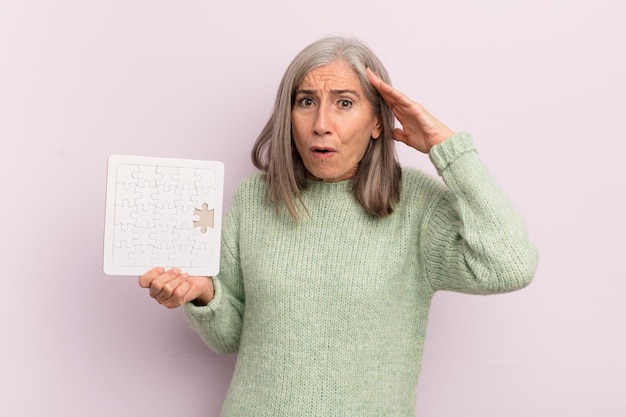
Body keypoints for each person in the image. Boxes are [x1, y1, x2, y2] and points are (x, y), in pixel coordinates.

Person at [139, 36, 538, 416]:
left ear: (378, 122)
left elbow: (509, 266)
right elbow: (228, 338)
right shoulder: (254, 198)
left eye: (344, 103)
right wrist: (205, 295)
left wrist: (446, 148)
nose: (321, 123)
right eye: (306, 101)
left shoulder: (416, 206)